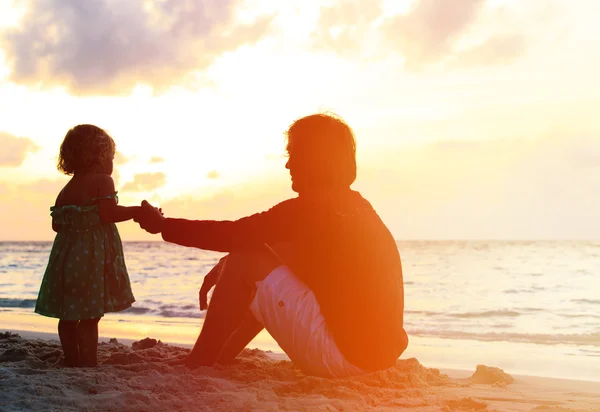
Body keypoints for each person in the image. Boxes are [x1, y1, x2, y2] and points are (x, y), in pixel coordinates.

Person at [135, 113, 408, 377]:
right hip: (379, 360)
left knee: (245, 258)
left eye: (293, 155)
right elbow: (276, 252)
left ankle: (200, 360)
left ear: (315, 159)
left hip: (343, 358)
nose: (288, 166)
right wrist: (225, 264)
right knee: (262, 262)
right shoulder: (357, 206)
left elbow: (231, 235)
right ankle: (220, 354)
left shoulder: (307, 209)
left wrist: (163, 225)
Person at [35, 124, 139, 367]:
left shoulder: (65, 190)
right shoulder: (103, 181)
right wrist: (137, 211)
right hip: (91, 260)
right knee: (90, 317)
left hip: (66, 260)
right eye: (111, 158)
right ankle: (89, 363)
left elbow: (57, 226)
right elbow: (108, 214)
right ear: (100, 157)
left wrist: (79, 223)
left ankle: (72, 359)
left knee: (69, 316)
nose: (112, 164)